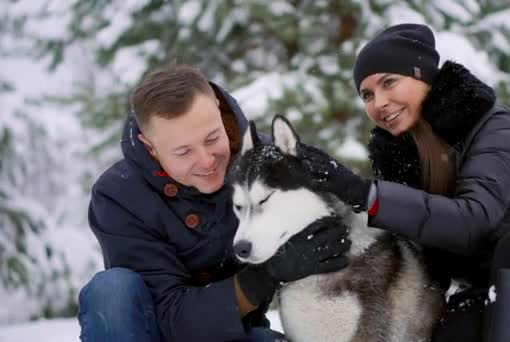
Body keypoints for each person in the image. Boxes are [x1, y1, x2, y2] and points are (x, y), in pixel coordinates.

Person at [300, 23, 510, 342]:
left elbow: (473, 220)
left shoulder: (491, 125)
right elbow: (419, 260)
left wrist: (365, 194)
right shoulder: (401, 165)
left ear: (423, 76)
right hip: (496, 294)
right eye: (367, 95)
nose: (378, 103)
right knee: (459, 319)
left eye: (389, 82)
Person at [77, 64, 351, 342]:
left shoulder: (270, 166)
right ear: (150, 147)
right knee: (111, 291)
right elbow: (171, 318)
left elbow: (341, 223)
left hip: (233, 333)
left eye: (212, 138)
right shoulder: (119, 195)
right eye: (184, 152)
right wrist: (264, 276)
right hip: (155, 334)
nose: (207, 160)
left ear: (219, 110)